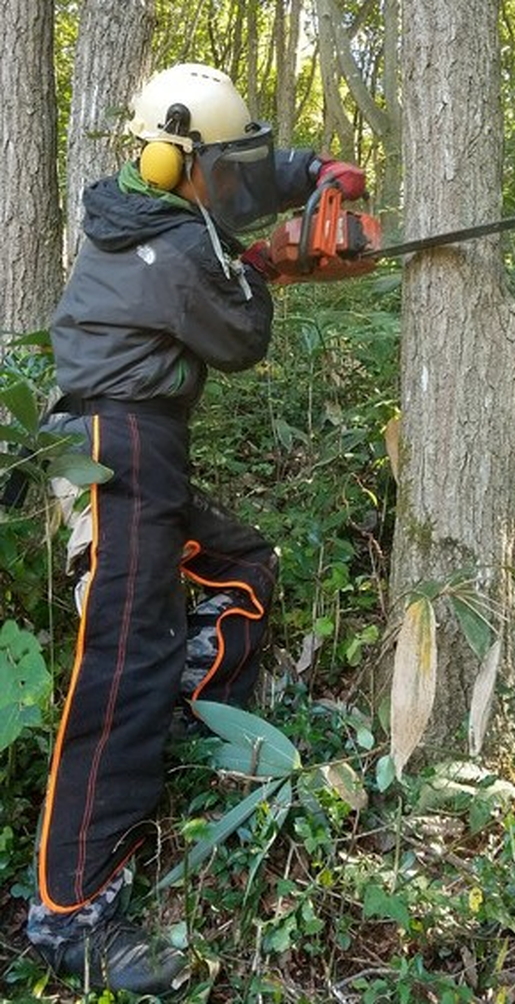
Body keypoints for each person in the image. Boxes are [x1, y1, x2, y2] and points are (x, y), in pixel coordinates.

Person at [25, 62, 366, 995]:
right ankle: (70, 909)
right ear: (176, 159)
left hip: (132, 442)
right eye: (213, 165)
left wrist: (318, 174)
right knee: (122, 652)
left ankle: (195, 710)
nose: (229, 185)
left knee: (239, 567)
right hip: (117, 442)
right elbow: (243, 338)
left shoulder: (148, 205)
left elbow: (240, 182)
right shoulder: (175, 250)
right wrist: (266, 268)